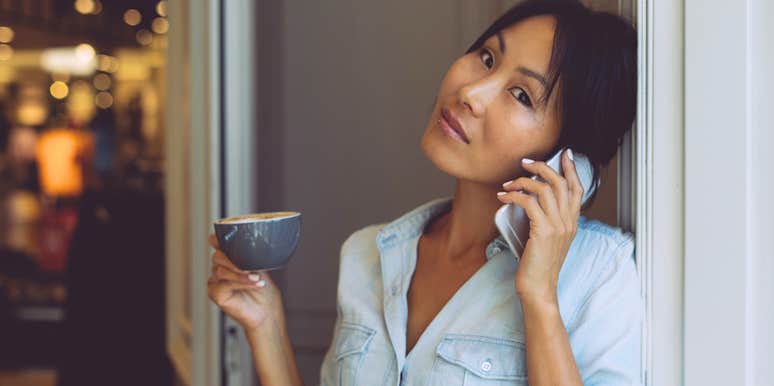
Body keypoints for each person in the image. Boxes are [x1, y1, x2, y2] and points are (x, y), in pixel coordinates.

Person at [208, 0, 641, 385]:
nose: (470, 93)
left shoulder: (598, 274)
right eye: (487, 58)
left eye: (521, 95)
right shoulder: (369, 253)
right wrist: (265, 326)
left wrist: (540, 296)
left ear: (568, 158)